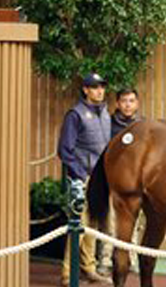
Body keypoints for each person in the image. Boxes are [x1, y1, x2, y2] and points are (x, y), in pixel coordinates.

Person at [58, 72, 113, 285]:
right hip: (82, 179)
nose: (100, 91)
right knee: (78, 228)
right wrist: (80, 175)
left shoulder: (106, 113)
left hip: (100, 179)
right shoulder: (75, 114)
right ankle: (67, 274)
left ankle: (89, 268)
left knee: (93, 227)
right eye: (95, 87)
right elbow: (64, 150)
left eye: (102, 87)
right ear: (85, 90)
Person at [109, 88, 144, 273]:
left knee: (136, 225)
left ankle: (132, 260)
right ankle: (107, 262)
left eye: (131, 101)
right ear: (117, 103)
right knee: (113, 224)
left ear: (137, 103)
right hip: (115, 183)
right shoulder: (109, 124)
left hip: (138, 185)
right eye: (124, 101)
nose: (128, 105)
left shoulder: (142, 127)